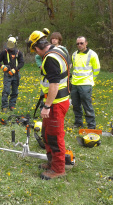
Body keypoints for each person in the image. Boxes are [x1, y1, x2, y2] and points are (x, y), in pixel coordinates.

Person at [28, 29, 70, 180]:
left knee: (54, 137)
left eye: (35, 51)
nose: (36, 53)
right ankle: (51, 162)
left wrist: (47, 106)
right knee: (46, 132)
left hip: (56, 103)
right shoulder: (59, 50)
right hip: (57, 101)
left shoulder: (50, 58)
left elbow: (54, 84)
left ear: (38, 48)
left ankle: (58, 169)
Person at [71, 36, 100, 129]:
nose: (79, 45)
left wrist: (91, 80)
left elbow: (97, 69)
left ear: (86, 43)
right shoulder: (74, 54)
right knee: (75, 105)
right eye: (77, 43)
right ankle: (78, 123)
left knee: (87, 105)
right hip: (74, 84)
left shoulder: (92, 54)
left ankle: (91, 125)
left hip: (86, 84)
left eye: (81, 43)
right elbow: (74, 68)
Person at [0, 36, 24, 112]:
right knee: (6, 91)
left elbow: (22, 63)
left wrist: (15, 69)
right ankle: (4, 107)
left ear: (15, 44)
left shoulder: (18, 52)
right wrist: (2, 66)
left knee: (15, 91)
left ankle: (12, 105)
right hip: (7, 75)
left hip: (16, 75)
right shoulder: (4, 52)